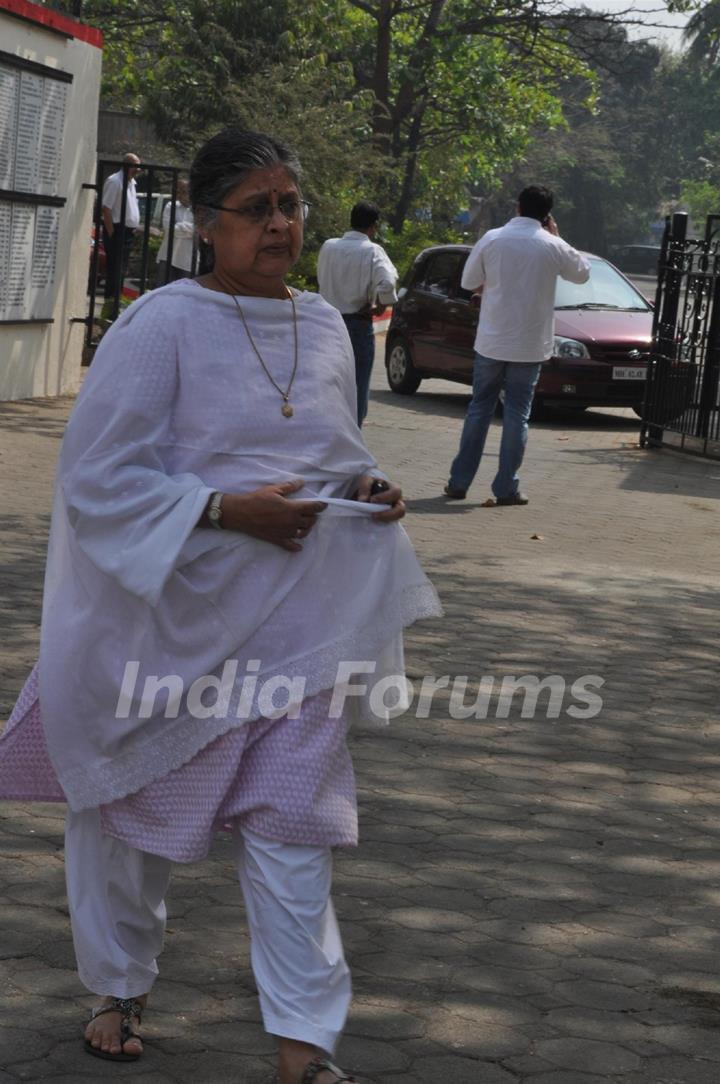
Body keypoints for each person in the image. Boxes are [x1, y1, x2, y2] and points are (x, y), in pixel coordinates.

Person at [0, 127, 441, 1084]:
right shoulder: (161, 323)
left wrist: (370, 492)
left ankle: (303, 1047)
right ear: (206, 226)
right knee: (128, 820)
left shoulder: (325, 324)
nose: (280, 224)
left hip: (295, 628)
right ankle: (118, 987)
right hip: (167, 629)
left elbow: (332, 451)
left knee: (295, 832)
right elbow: (96, 476)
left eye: (291, 204)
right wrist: (218, 509)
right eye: (258, 209)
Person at [445, 185, 591, 504]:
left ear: (518, 207)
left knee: (479, 409)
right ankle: (506, 487)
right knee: (517, 414)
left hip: (492, 342)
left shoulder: (493, 238)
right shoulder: (552, 244)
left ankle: (458, 482)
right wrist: (557, 235)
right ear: (547, 215)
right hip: (529, 345)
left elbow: (468, 282)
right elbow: (582, 273)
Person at [317, 202, 398, 426]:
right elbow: (387, 282)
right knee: (357, 388)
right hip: (356, 325)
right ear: (373, 226)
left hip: (325, 324)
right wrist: (380, 307)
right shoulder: (372, 251)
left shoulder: (328, 247)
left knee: (327, 385)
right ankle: (352, 440)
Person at [100, 152, 142, 320]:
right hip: (117, 231)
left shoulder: (132, 183)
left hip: (127, 232)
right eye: (135, 165)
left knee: (121, 271)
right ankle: (109, 310)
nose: (138, 169)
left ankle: (115, 308)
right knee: (115, 271)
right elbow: (106, 208)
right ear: (127, 165)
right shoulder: (115, 181)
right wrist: (111, 232)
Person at [155, 178, 197, 284]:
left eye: (183, 191)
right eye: (177, 191)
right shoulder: (170, 206)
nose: (179, 194)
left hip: (187, 260)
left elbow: (198, 230)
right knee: (162, 290)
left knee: (185, 293)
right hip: (167, 256)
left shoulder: (198, 209)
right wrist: (188, 229)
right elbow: (168, 228)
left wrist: (178, 226)